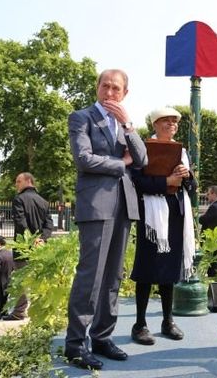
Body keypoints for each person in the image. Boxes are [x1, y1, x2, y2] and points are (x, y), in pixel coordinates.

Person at [64, 69, 147, 371]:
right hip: (96, 205)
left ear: (125, 93)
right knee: (91, 277)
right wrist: (119, 163)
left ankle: (102, 336)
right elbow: (83, 159)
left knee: (113, 277)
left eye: (116, 88)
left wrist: (128, 124)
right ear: (97, 88)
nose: (110, 92)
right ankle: (75, 344)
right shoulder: (81, 117)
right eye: (105, 86)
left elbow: (143, 160)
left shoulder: (125, 124)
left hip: (124, 206)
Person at [130, 107, 196, 346]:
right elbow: (136, 182)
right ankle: (140, 324)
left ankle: (167, 321)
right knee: (147, 270)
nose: (171, 125)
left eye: (174, 122)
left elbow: (192, 187)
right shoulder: (143, 149)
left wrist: (186, 175)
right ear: (155, 124)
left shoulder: (182, 152)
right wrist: (165, 181)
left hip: (176, 213)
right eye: (166, 121)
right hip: (151, 216)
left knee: (169, 270)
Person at [4, 172, 53, 321]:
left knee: (22, 280)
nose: (16, 185)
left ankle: (19, 312)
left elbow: (21, 222)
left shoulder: (19, 199)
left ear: (28, 181)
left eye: (18, 181)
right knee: (39, 279)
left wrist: (31, 240)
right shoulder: (43, 201)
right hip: (41, 248)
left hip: (23, 247)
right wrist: (41, 239)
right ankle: (42, 312)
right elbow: (49, 224)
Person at [199, 185, 217, 277]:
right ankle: (215, 280)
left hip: (210, 240)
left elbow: (203, 220)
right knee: (213, 262)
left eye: (208, 194)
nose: (207, 196)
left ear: (214, 194)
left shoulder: (214, 207)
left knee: (212, 262)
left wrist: (200, 217)